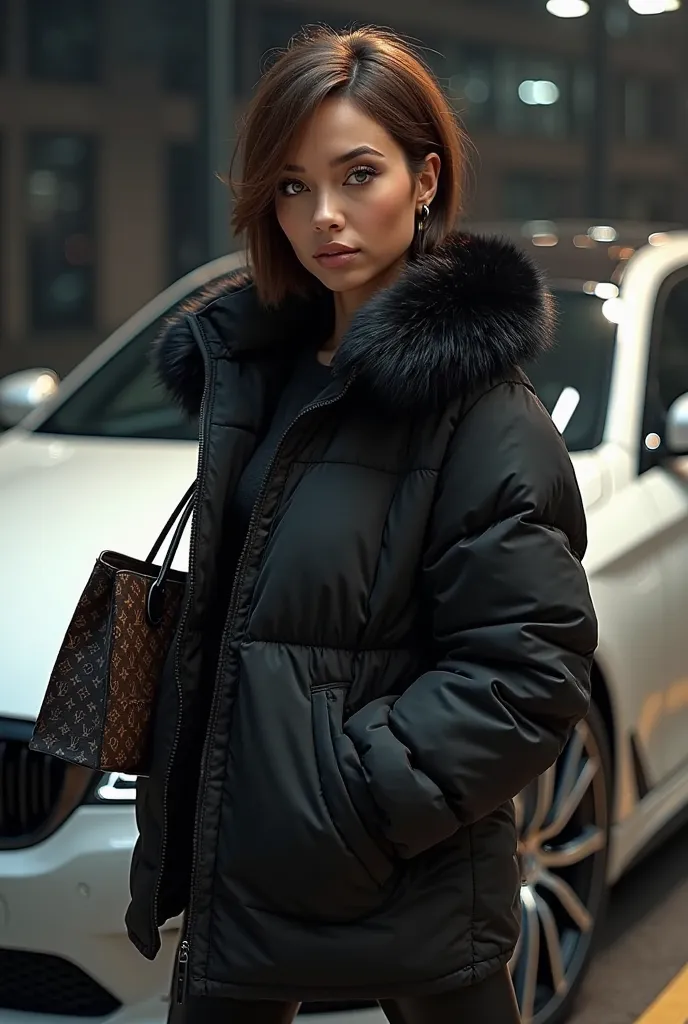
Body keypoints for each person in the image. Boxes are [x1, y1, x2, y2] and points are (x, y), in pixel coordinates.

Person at [125, 25, 598, 1024]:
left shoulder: (483, 414)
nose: (324, 216)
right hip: (243, 864)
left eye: (357, 174)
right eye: (292, 186)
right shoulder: (268, 374)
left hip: (393, 869)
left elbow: (527, 669)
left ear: (425, 181)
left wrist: (347, 803)